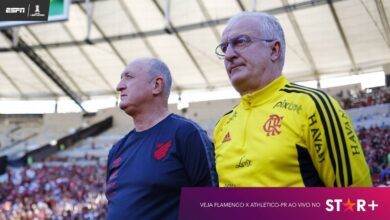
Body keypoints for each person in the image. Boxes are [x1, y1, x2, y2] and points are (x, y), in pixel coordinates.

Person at [213, 12, 371, 187]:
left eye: (240, 41)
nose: (228, 55)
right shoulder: (223, 125)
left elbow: (357, 200)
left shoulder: (312, 105)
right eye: (224, 48)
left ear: (274, 50)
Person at [106, 58, 217, 219]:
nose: (119, 86)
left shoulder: (186, 134)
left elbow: (212, 204)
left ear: (156, 85)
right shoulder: (117, 150)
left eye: (128, 77)